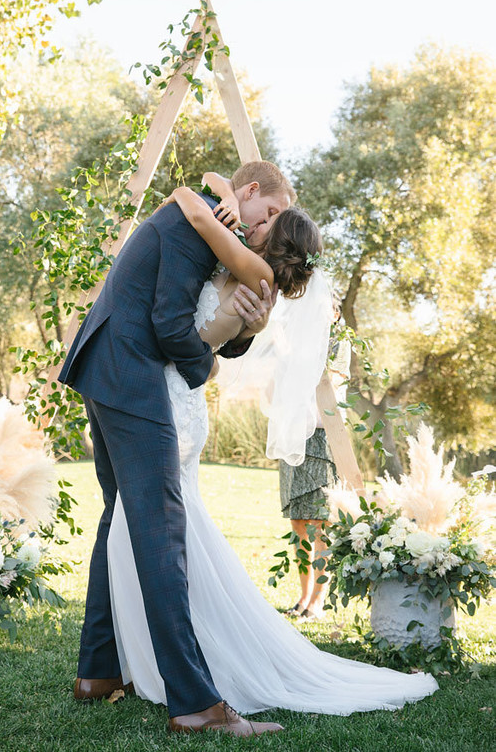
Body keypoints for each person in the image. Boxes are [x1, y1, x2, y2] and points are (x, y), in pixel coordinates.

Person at [106, 183, 439, 716]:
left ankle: (190, 677)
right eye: (267, 212)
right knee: (141, 528)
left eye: (270, 220)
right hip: (161, 391)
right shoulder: (242, 268)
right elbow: (215, 329)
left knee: (159, 533)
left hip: (169, 395)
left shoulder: (248, 267)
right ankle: (132, 661)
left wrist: (192, 198)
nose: (256, 225)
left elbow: (196, 233)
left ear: (276, 235)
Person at [58, 161, 294, 737]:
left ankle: (99, 672)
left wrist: (241, 333)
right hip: (133, 374)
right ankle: (196, 705)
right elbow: (168, 325)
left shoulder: (213, 225)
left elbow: (191, 313)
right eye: (274, 214)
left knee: (118, 519)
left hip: (105, 366)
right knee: (161, 533)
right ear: (253, 192)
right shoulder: (198, 225)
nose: (270, 227)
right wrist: (206, 366)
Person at [281, 293, 351, 620]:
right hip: (295, 434)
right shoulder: (296, 338)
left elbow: (331, 384)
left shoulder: (340, 343)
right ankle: (303, 594)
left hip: (323, 437)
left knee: (319, 524)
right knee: (298, 522)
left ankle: (318, 599)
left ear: (335, 312)